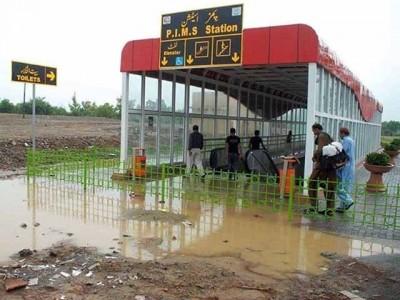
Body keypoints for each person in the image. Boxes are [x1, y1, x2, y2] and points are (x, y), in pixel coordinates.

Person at [305, 123, 337, 216]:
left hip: (322, 165)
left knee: (311, 182)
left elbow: (320, 150)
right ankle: (330, 209)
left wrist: (315, 157)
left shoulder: (321, 136)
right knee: (329, 186)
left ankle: (314, 207)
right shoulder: (328, 136)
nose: (314, 133)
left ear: (316, 129)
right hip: (331, 165)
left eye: (313, 131)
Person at [335, 127, 355, 212]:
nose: (339, 135)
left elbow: (342, 152)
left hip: (346, 166)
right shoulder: (352, 140)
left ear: (343, 133)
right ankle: (343, 206)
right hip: (351, 166)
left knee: (340, 186)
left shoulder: (346, 140)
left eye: (339, 133)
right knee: (346, 186)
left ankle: (348, 201)